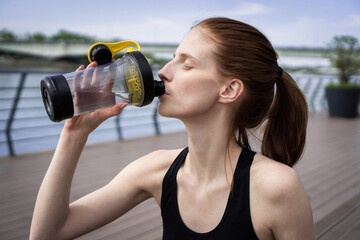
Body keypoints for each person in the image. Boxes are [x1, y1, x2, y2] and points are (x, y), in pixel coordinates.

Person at [30, 17, 316, 240]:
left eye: (187, 64)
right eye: (173, 57)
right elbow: (49, 233)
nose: (165, 71)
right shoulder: (156, 170)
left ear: (229, 89)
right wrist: (74, 134)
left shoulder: (277, 187)